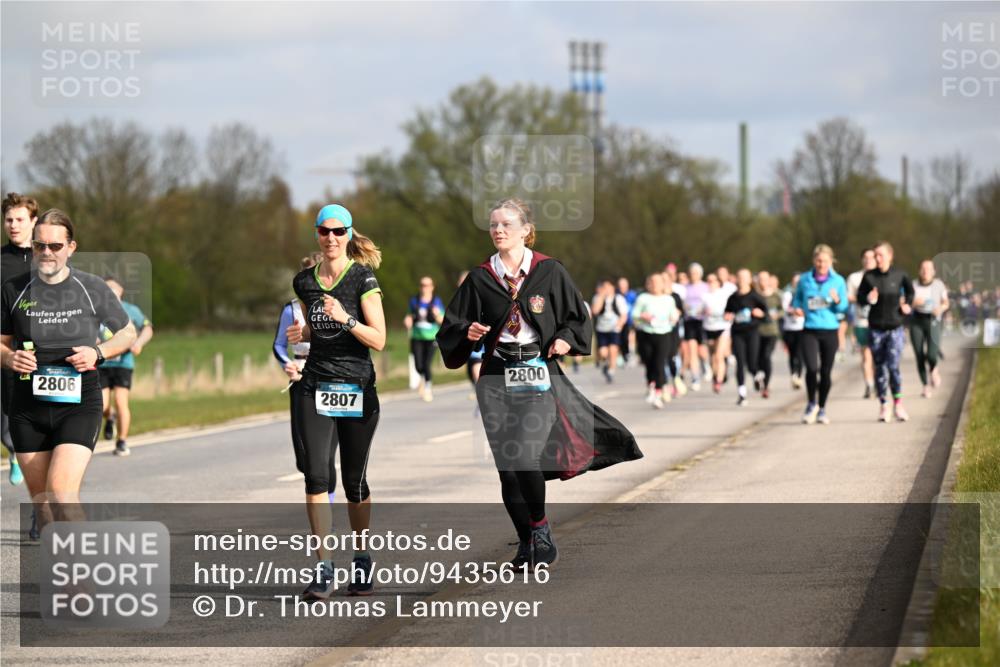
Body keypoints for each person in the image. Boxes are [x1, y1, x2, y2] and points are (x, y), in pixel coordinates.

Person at [437, 198, 641, 570]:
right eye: (493, 225)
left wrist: (564, 339)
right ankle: (525, 542)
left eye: (506, 224)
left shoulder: (549, 271)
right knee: (507, 468)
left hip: (537, 375)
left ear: (526, 231)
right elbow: (451, 327)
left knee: (525, 455)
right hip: (496, 379)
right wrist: (468, 332)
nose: (498, 230)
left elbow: (577, 318)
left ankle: (541, 529)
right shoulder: (481, 278)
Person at [1, 209, 136, 534]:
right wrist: (10, 358)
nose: (46, 252)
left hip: (78, 404)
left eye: (55, 246)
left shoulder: (91, 287)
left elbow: (127, 332)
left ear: (71, 247)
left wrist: (98, 352)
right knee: (44, 508)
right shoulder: (13, 289)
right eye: (39, 246)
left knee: (61, 493)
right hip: (27, 408)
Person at [285, 203, 386, 598]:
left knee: (354, 482)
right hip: (314, 386)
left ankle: (361, 557)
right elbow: (317, 328)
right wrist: (304, 334)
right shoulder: (304, 282)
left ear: (348, 234)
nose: (331, 238)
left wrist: (346, 318)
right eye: (324, 231)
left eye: (338, 231)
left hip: (356, 386)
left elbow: (379, 339)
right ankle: (324, 567)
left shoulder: (363, 278)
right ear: (316, 234)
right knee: (316, 477)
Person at [273, 253, 322, 477]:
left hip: (330, 374)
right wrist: (288, 365)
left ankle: (326, 488)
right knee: (303, 451)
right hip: (300, 375)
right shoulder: (291, 309)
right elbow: (279, 345)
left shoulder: (337, 306)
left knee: (325, 449)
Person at [2, 193, 38, 487]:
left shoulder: (48, 257)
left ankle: (42, 504)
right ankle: (13, 450)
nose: (13, 225)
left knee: (34, 420)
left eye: (19, 219)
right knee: (6, 418)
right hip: (4, 348)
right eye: (8, 220)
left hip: (38, 351)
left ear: (34, 221)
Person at [857, 241, 915, 422]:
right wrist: (868, 298)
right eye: (875, 255)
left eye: (880, 255)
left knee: (893, 366)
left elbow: (910, 292)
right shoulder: (869, 277)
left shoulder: (900, 275)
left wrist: (907, 304)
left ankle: (898, 404)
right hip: (876, 329)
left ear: (890, 256)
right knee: (880, 367)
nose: (877, 258)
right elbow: (860, 297)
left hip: (895, 327)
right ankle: (884, 405)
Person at [792, 244, 849, 424]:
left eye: (824, 261)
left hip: (830, 330)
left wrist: (837, 300)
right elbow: (797, 300)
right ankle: (811, 404)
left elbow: (844, 307)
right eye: (818, 261)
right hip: (810, 329)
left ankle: (822, 408)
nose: (821, 264)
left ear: (831, 261)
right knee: (811, 368)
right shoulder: (805, 279)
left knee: (825, 372)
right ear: (813, 261)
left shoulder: (838, 281)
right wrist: (797, 308)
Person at [98, 277, 153, 456]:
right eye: (106, 288)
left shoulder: (131, 310)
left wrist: (139, 343)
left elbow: (147, 328)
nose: (110, 291)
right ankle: (110, 416)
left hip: (123, 363)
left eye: (113, 288)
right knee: (102, 404)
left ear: (121, 291)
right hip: (102, 363)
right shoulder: (96, 309)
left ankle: (121, 441)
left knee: (121, 401)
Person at [632, 272, 680, 409]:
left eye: (657, 282)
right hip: (646, 334)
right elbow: (634, 315)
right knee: (649, 362)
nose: (654, 285)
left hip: (664, 334)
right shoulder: (643, 298)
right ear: (648, 284)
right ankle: (651, 385)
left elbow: (674, 315)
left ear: (663, 284)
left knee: (659, 363)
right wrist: (642, 316)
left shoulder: (668, 299)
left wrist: (674, 317)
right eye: (651, 282)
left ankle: (658, 393)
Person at [724, 269, 769, 406]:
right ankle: (742, 394)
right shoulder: (732, 298)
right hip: (738, 333)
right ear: (736, 279)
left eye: (744, 277)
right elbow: (727, 312)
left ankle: (758, 375)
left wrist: (760, 314)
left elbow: (766, 315)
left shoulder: (755, 296)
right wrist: (728, 316)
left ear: (750, 280)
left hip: (752, 332)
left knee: (752, 363)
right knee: (740, 363)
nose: (742, 280)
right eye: (739, 277)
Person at [911, 260, 949, 398]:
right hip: (917, 321)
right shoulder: (913, 285)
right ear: (919, 270)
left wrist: (941, 308)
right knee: (919, 354)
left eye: (928, 268)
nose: (925, 271)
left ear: (933, 271)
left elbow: (946, 303)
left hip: (933, 320)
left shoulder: (939, 285)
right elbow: (905, 302)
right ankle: (925, 386)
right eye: (923, 268)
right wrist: (914, 302)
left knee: (932, 354)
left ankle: (933, 368)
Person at [404, 276, 445, 402]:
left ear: (432, 287)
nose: (424, 288)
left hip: (431, 337)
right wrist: (407, 321)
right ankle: (423, 379)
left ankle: (427, 388)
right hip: (417, 337)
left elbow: (442, 320)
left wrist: (437, 315)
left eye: (427, 285)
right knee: (418, 365)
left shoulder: (436, 301)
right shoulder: (414, 301)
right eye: (422, 285)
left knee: (427, 363)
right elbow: (409, 316)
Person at [847, 248, 878, 398]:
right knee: (866, 355)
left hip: (879, 321)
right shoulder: (854, 278)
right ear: (861, 260)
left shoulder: (881, 276)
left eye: (871, 257)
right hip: (861, 321)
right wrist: (864, 298)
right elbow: (848, 296)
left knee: (878, 357)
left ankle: (878, 382)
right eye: (865, 257)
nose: (868, 260)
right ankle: (869, 384)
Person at [591, 279, 628, 383]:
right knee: (603, 352)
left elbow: (624, 315)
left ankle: (611, 371)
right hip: (602, 329)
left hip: (614, 329)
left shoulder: (619, 298)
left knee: (613, 350)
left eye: (608, 287)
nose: (606, 289)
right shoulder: (597, 298)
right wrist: (601, 297)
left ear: (613, 287)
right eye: (604, 287)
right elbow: (595, 311)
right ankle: (606, 365)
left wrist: (619, 325)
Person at [754, 271, 782, 399]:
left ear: (769, 280)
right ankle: (758, 376)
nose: (762, 282)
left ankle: (766, 385)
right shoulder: (754, 295)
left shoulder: (775, 295)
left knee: (766, 356)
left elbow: (782, 310)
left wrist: (777, 315)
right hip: (757, 330)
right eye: (760, 279)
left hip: (771, 331)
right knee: (756, 358)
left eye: (765, 279)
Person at [682, 262, 709, 391]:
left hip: (702, 321)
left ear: (700, 274)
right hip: (689, 321)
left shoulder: (705, 287)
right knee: (691, 349)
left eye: (695, 273)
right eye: (691, 273)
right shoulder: (685, 287)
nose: (693, 275)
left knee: (701, 350)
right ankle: (695, 377)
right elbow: (681, 302)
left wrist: (704, 310)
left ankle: (706, 364)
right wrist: (685, 308)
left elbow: (710, 302)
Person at [702, 273, 731, 393]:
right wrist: (703, 311)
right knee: (713, 356)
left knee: (719, 355)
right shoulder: (704, 296)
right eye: (708, 281)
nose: (710, 283)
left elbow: (731, 309)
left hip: (722, 327)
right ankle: (716, 376)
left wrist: (728, 315)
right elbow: (698, 311)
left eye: (713, 281)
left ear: (719, 282)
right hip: (709, 327)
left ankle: (719, 380)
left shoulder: (725, 295)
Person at [781, 273, 805, 388]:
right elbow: (785, 308)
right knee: (792, 354)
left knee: (799, 354)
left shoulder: (805, 294)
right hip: (789, 328)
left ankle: (799, 376)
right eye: (795, 282)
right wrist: (794, 311)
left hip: (801, 328)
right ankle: (793, 374)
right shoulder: (787, 294)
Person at [617, 277, 638, 368]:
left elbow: (637, 306)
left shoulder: (632, 295)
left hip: (631, 320)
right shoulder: (616, 295)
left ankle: (631, 354)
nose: (622, 287)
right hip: (620, 320)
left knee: (630, 336)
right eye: (620, 285)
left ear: (627, 285)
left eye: (623, 285)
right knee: (622, 339)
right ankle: (624, 355)